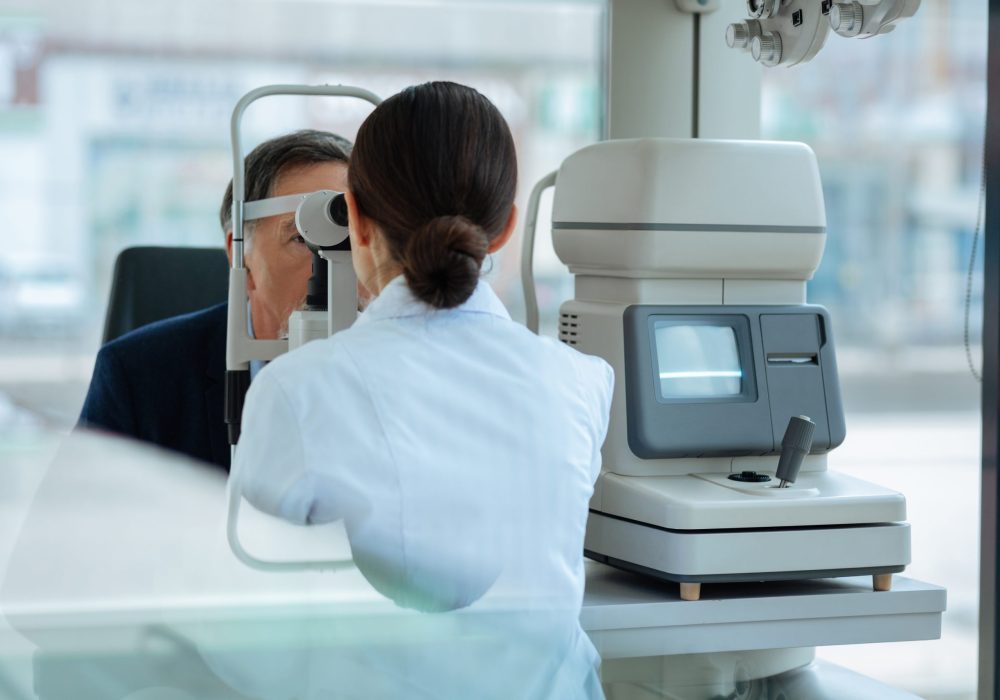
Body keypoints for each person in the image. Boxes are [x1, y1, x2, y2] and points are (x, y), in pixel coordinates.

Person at [231, 82, 613, 696]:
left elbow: (245, 622)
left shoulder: (297, 390)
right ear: (507, 227)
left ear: (352, 218)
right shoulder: (583, 380)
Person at [78, 130, 352, 470]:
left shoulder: (404, 371)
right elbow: (79, 519)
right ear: (240, 255)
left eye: (354, 238)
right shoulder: (138, 377)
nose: (337, 261)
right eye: (304, 237)